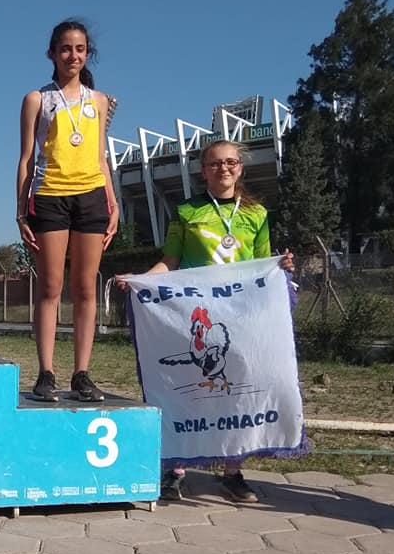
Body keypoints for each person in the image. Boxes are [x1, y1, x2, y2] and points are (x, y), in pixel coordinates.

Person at [119, 139, 295, 503]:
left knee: (239, 387)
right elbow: (170, 261)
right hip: (197, 313)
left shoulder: (257, 213)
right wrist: (141, 280)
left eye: (231, 162)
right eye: (215, 164)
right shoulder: (186, 211)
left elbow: (262, 264)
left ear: (240, 168)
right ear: (203, 171)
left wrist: (283, 265)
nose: (224, 169)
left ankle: (232, 472)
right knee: (192, 386)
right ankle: (176, 469)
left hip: (242, 317)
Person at [17, 19, 120, 402]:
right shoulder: (36, 99)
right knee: (50, 287)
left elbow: (100, 157)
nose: (72, 55)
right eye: (65, 49)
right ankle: (46, 372)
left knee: (84, 287)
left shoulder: (99, 100)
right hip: (49, 196)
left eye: (79, 49)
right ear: (52, 53)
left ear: (87, 53)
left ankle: (82, 373)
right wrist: (20, 210)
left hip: (91, 195)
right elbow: (26, 158)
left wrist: (113, 203)